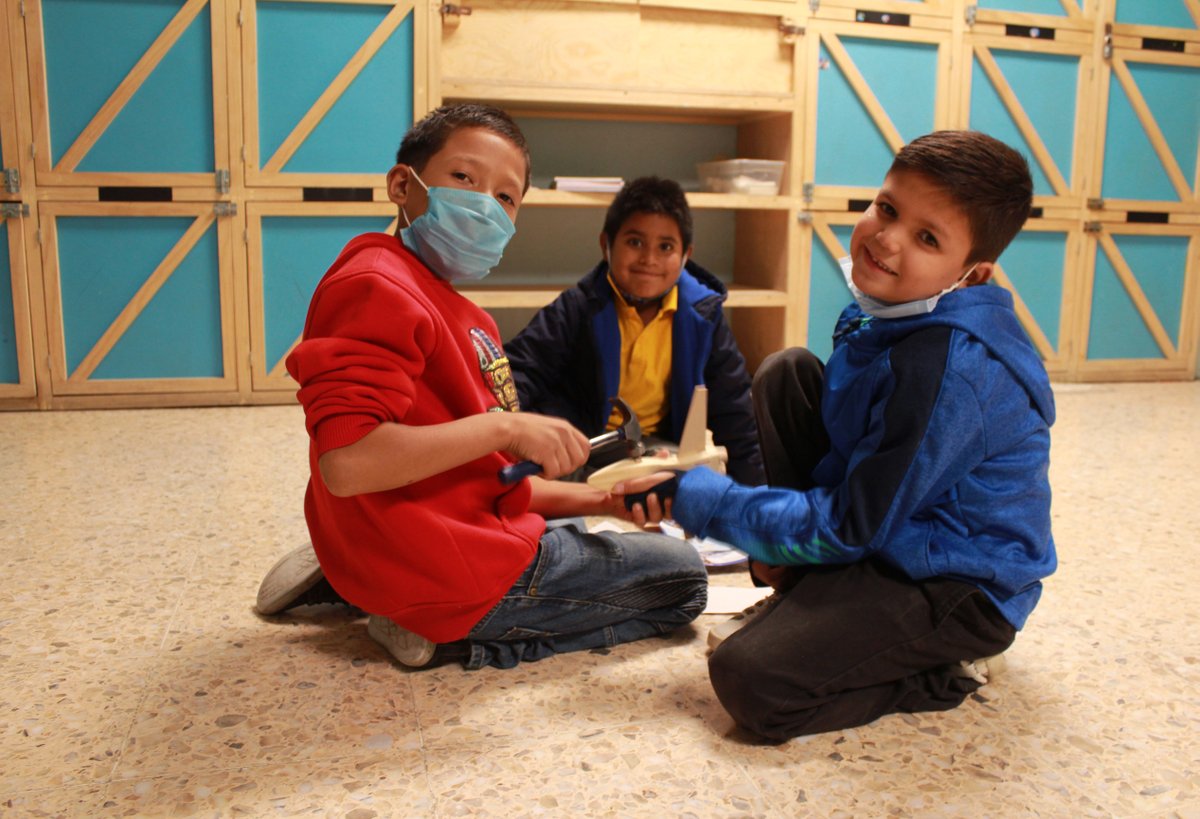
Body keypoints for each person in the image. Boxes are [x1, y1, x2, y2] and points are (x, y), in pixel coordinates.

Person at [617, 130, 1056, 739]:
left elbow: (854, 523)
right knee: (787, 373)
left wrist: (705, 499)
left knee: (753, 680)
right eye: (888, 208)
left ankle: (950, 669)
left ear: (973, 272)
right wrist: (774, 542)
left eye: (927, 238)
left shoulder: (946, 370)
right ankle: (815, 590)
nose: (886, 239)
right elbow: (859, 469)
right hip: (893, 528)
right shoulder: (893, 310)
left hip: (956, 583)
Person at [255, 103, 708, 670]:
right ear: (403, 184)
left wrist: (604, 501)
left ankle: (361, 571)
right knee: (685, 580)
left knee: (575, 517)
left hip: (432, 535)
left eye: (505, 197)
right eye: (464, 179)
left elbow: (486, 481)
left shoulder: (462, 313)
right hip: (457, 571)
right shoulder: (376, 285)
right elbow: (347, 463)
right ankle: (440, 632)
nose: (483, 205)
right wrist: (508, 425)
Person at [505, 176, 766, 485]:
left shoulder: (703, 318)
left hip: (658, 451)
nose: (649, 259)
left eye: (666, 247)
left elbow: (734, 412)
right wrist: (512, 438)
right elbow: (518, 376)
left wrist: (755, 498)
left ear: (686, 256)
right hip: (581, 451)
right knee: (544, 489)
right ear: (606, 245)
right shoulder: (577, 308)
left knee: (696, 486)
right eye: (634, 242)